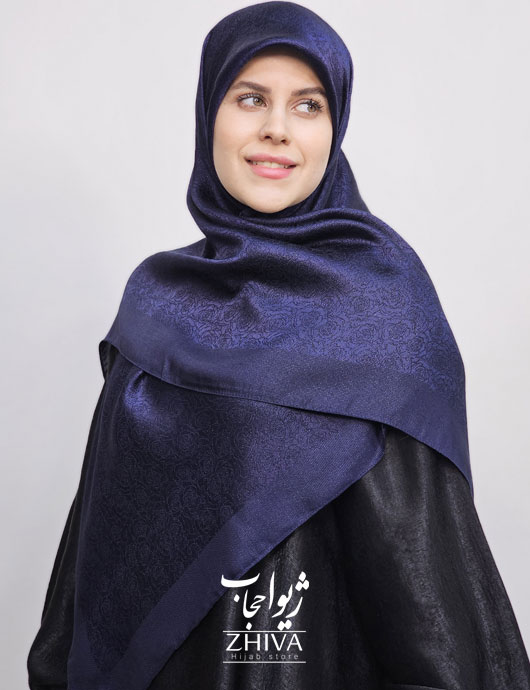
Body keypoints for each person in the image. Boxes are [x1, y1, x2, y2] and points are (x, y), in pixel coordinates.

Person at [27, 2, 530, 689]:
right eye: (250, 98)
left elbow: (429, 605)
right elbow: (91, 551)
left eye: (308, 105)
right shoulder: (157, 300)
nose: (277, 128)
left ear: (334, 128)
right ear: (209, 114)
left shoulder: (381, 309)